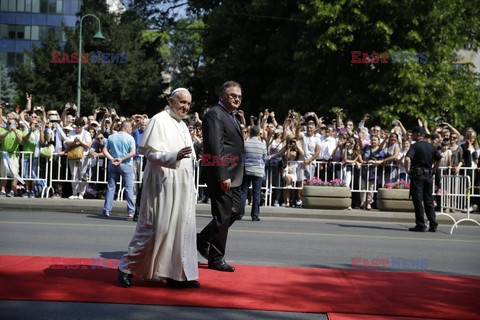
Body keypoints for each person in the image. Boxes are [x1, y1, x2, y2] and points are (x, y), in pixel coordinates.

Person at [117, 88, 199, 289]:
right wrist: (174, 156)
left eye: (188, 103)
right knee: (155, 228)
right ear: (171, 101)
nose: (185, 107)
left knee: (180, 230)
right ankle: (126, 267)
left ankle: (175, 275)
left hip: (182, 185)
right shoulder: (158, 119)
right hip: (161, 182)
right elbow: (150, 154)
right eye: (182, 102)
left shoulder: (182, 124)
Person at [197, 81, 245, 273]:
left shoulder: (231, 116)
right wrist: (222, 174)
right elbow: (214, 147)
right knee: (223, 215)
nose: (237, 99)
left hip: (235, 174)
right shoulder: (214, 114)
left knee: (236, 210)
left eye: (240, 97)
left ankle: (201, 239)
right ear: (222, 95)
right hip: (221, 173)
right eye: (233, 95)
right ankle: (216, 258)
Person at [405, 126, 442, 232]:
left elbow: (407, 159)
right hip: (428, 175)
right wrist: (433, 169)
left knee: (418, 200)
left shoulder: (415, 146)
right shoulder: (431, 146)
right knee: (428, 200)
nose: (412, 136)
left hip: (418, 176)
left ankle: (421, 224)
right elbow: (439, 159)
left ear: (418, 134)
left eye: (413, 134)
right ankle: (433, 224)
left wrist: (408, 171)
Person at [102, 121, 136, 218]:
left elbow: (105, 150)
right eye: (129, 127)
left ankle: (106, 209)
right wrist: (121, 159)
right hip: (126, 164)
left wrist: (112, 158)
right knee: (129, 188)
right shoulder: (130, 138)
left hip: (113, 164)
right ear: (125, 128)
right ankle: (131, 211)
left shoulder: (111, 137)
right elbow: (132, 152)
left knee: (111, 187)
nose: (131, 129)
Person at [240, 125, 267, 221]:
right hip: (258, 171)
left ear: (250, 133)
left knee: (243, 192)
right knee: (256, 194)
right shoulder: (262, 145)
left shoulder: (245, 144)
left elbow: (241, 156)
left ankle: (240, 214)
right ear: (259, 133)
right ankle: (255, 215)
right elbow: (265, 158)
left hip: (246, 170)